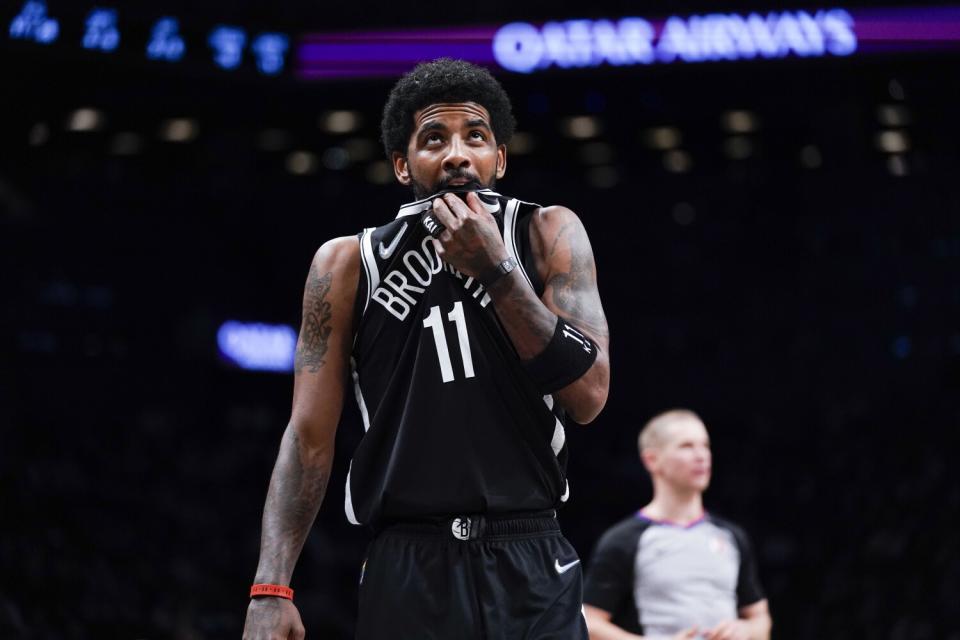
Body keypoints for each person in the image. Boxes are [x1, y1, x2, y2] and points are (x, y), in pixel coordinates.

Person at [242, 58, 611, 639]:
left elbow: (589, 394)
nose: (457, 154)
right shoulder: (344, 264)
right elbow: (309, 437)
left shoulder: (547, 233)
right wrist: (270, 586)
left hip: (530, 554)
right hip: (407, 561)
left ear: (500, 159)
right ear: (402, 164)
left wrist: (496, 271)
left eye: (476, 137)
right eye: (433, 138)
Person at [582, 410, 772, 640]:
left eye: (705, 445)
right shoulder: (624, 540)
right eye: (686, 446)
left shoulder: (731, 536)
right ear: (652, 460)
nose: (701, 455)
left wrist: (746, 630)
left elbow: (761, 618)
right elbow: (589, 623)